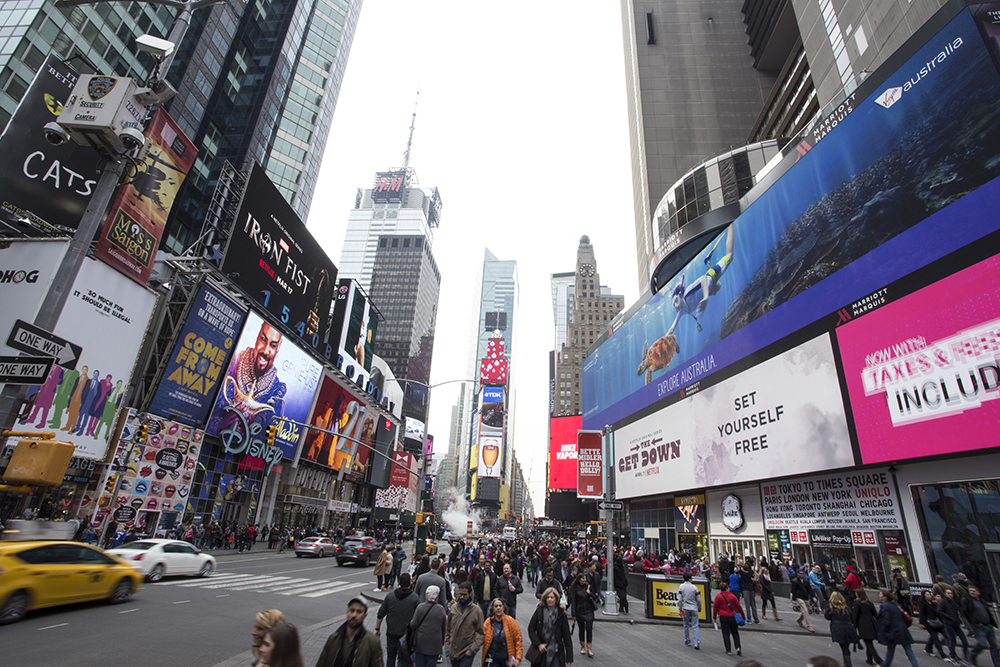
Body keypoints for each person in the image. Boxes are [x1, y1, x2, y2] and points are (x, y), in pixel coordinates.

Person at [315, 597, 384, 667]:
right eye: (352, 610)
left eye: (359, 612)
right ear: (347, 612)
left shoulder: (372, 642)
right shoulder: (333, 639)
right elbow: (321, 663)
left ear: (364, 616)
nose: (354, 615)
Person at [376, 573, 419, 667]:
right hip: (405, 635)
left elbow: (380, 614)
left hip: (391, 633)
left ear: (399, 582)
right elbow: (417, 618)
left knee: (391, 657)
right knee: (402, 658)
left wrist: (377, 629)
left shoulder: (390, 596)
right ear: (410, 584)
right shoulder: (415, 598)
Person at [528, 587, 574, 667]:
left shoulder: (561, 614)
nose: (550, 599)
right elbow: (531, 629)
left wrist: (569, 659)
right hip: (542, 651)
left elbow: (567, 637)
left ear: (556, 599)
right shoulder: (539, 611)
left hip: (556, 651)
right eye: (548, 597)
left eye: (552, 597)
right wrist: (538, 644)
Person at [445, 582, 485, 667]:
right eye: (460, 594)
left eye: (464, 595)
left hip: (466, 651)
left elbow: (481, 633)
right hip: (453, 651)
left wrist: (472, 650)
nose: (462, 597)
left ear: (470, 594)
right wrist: (447, 648)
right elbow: (447, 629)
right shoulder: (453, 609)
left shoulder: (476, 611)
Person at [877, 589, 919, 667]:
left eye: (880, 594)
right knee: (909, 651)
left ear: (885, 597)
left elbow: (886, 620)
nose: (879, 596)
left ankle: (884, 665)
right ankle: (916, 665)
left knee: (890, 651)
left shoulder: (884, 606)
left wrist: (883, 630)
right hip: (903, 629)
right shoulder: (896, 604)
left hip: (893, 632)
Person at [409, 585, 448, 667]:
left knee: (420, 663)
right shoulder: (441, 610)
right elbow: (444, 627)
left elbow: (413, 624)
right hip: (434, 644)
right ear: (437, 597)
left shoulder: (420, 607)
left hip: (421, 643)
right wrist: (442, 641)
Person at [961, 585, 999, 667]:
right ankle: (973, 654)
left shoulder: (981, 600)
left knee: (995, 646)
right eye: (970, 591)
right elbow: (965, 612)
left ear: (978, 592)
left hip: (988, 625)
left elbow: (987, 611)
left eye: (974, 591)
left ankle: (997, 664)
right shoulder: (967, 600)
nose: (972, 592)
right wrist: (975, 622)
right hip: (978, 626)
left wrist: (991, 622)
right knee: (982, 644)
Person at [482, 599, 523, 667]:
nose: (498, 608)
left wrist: (518, 658)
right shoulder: (488, 622)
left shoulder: (511, 621)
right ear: (492, 609)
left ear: (503, 608)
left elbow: (518, 640)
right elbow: (481, 638)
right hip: (493, 658)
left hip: (507, 659)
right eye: (496, 606)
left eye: (500, 606)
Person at [825, 591, 861, 667]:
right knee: (846, 647)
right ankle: (847, 663)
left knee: (844, 648)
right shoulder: (846, 607)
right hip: (848, 628)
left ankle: (848, 664)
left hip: (838, 629)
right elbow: (852, 618)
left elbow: (827, 617)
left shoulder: (831, 607)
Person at [568, 572, 597, 658]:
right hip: (580, 611)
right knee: (581, 629)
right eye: (583, 578)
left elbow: (595, 597)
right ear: (579, 580)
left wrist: (589, 593)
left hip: (589, 610)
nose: (584, 580)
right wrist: (573, 613)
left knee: (589, 628)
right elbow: (574, 601)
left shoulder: (589, 587)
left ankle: (589, 648)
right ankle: (582, 646)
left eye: (585, 578)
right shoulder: (576, 588)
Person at [712, 581, 744, 656]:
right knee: (735, 632)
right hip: (732, 616)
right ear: (727, 588)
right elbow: (738, 606)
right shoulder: (732, 596)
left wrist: (714, 617)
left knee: (726, 633)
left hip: (723, 616)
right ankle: (738, 647)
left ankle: (728, 650)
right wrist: (743, 615)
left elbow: (715, 607)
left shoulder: (718, 597)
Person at [938, 587, 970, 662]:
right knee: (953, 640)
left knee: (965, 641)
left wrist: (958, 620)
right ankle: (952, 655)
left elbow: (956, 612)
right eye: (948, 593)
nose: (950, 595)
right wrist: (948, 618)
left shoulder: (953, 603)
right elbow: (939, 611)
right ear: (945, 594)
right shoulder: (943, 601)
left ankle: (966, 656)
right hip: (948, 623)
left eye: (951, 593)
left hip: (956, 623)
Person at [917, 590, 947, 659]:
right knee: (935, 638)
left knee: (936, 636)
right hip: (929, 623)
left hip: (936, 622)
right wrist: (921, 623)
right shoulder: (923, 603)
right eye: (927, 595)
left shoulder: (933, 604)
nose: (929, 596)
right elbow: (922, 613)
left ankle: (928, 648)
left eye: (929, 594)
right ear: (924, 596)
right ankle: (942, 654)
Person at [677, 571, 702, 650]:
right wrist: (699, 608)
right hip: (694, 608)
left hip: (686, 608)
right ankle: (696, 642)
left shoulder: (681, 587)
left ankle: (687, 640)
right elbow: (699, 600)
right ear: (690, 579)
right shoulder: (694, 587)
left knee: (686, 625)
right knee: (695, 625)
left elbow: (680, 600)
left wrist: (680, 608)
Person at [793, 568, 817, 633]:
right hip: (799, 597)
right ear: (797, 574)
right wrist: (794, 599)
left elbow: (810, 589)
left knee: (805, 610)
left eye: (803, 573)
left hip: (805, 597)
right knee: (805, 610)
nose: (802, 575)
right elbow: (793, 590)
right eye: (800, 573)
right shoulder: (795, 581)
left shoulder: (805, 581)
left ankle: (799, 620)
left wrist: (813, 597)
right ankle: (809, 625)